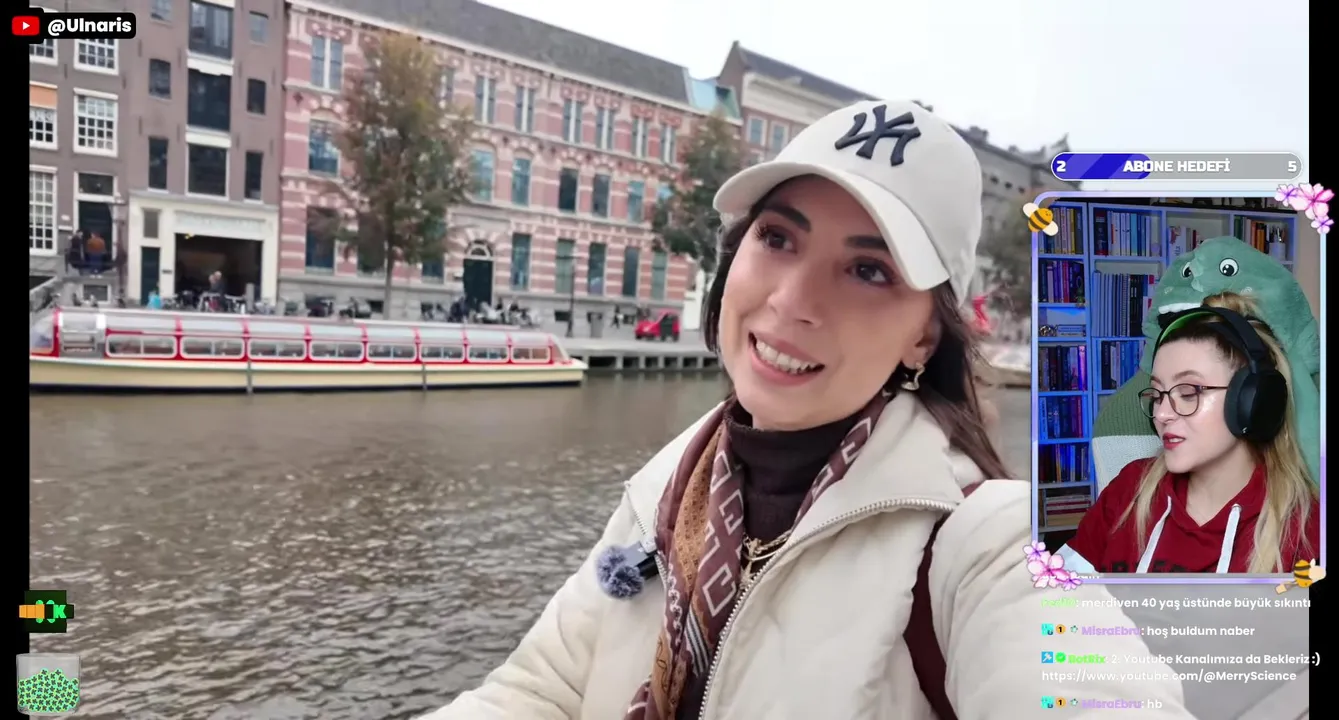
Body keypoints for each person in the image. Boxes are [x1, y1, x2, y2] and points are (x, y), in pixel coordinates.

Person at [421, 100, 1187, 719]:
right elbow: (542, 689)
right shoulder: (667, 485)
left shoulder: (986, 543)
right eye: (778, 237)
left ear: (923, 335)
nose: (791, 301)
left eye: (867, 269)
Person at [1059, 293, 1319, 574]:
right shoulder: (1130, 489)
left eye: (1188, 392)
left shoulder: (1308, 531)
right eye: (1157, 395)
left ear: (1253, 401)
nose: (1161, 414)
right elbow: (1056, 591)